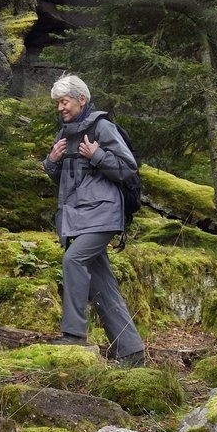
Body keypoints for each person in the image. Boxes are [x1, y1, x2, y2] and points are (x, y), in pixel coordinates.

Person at [41, 74, 146, 367]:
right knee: (102, 282)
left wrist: (97, 154)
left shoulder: (102, 127)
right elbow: (62, 180)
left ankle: (73, 334)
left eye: (64, 101)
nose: (60, 107)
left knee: (73, 260)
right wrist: (52, 160)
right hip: (78, 217)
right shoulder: (65, 134)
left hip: (103, 214)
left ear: (81, 100)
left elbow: (128, 168)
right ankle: (131, 351)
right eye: (57, 103)